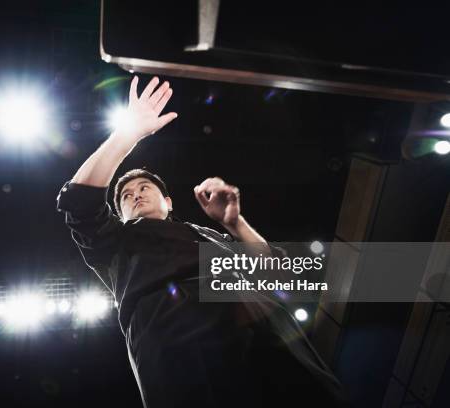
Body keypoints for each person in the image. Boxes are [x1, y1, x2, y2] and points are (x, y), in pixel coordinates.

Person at [56, 76, 349, 407]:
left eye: (144, 189)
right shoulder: (115, 244)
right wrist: (129, 135)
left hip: (261, 323)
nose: (135, 194)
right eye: (125, 196)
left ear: (169, 202)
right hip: (181, 336)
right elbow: (79, 202)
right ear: (120, 213)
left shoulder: (207, 235)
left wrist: (235, 224)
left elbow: (273, 271)